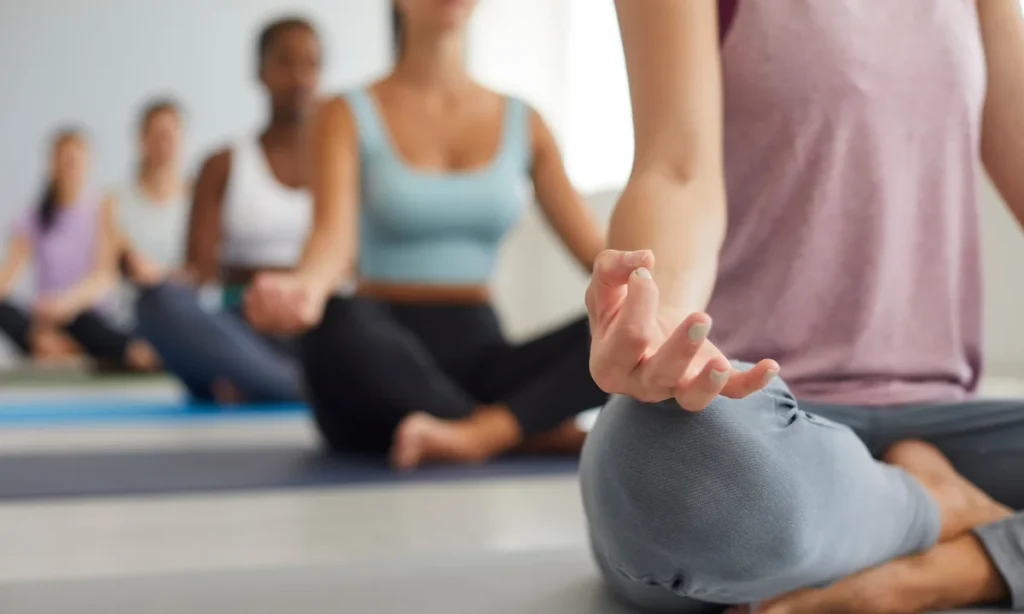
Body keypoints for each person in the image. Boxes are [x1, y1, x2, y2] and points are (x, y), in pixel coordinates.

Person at [579, 1, 1024, 612]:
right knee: (662, 469)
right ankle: (934, 507)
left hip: (946, 424)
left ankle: (958, 563)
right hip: (743, 426)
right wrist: (663, 319)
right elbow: (677, 168)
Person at [245, 0, 608, 468]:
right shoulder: (343, 112)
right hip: (377, 364)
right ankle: (519, 431)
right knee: (335, 320)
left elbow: (600, 258)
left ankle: (481, 432)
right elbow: (332, 243)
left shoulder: (525, 121)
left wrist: (667, 288)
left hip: (484, 358)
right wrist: (304, 290)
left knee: (624, 324)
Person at [133, 17, 319, 403]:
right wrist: (155, 277)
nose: (299, 76)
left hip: (319, 326)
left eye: (310, 64)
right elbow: (199, 273)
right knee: (157, 303)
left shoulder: (339, 163)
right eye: (285, 62)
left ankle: (254, 382)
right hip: (245, 327)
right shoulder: (223, 164)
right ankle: (299, 388)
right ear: (261, 72)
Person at [0, 129, 157, 371]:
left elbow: (104, 278)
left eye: (75, 160)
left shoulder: (104, 209)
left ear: (89, 163)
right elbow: (7, 277)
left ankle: (70, 347)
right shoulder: (32, 217)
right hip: (44, 320)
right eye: (63, 160)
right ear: (51, 164)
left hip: (86, 314)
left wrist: (63, 305)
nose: (69, 167)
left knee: (89, 325)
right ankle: (50, 344)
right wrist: (41, 324)